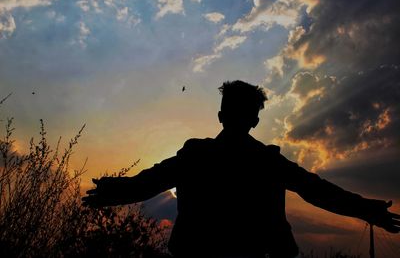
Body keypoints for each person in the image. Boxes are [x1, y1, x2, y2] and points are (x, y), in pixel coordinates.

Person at [83, 80, 400, 258]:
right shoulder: (267, 161)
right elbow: (318, 191)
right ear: (255, 121)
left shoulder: (196, 155)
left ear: (221, 117)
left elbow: (149, 181)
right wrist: (367, 210)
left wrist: (113, 190)